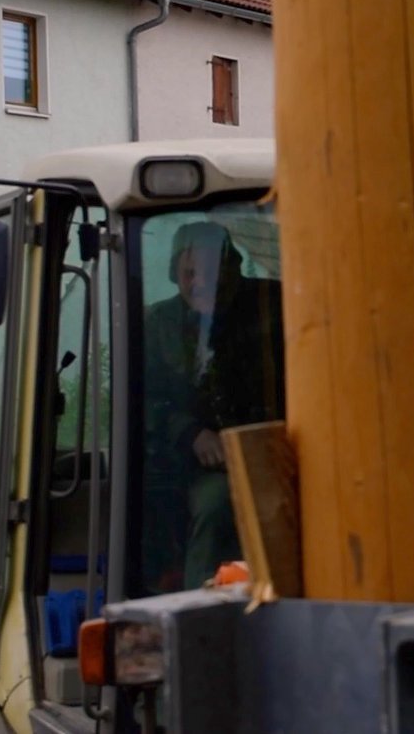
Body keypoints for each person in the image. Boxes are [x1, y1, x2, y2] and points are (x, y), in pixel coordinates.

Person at [142, 221, 284, 591]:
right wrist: (190, 433)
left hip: (278, 451)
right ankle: (198, 606)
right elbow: (145, 399)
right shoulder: (158, 325)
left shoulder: (275, 306)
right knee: (216, 503)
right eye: (189, 273)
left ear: (234, 268)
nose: (201, 283)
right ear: (175, 275)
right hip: (196, 465)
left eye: (212, 271)